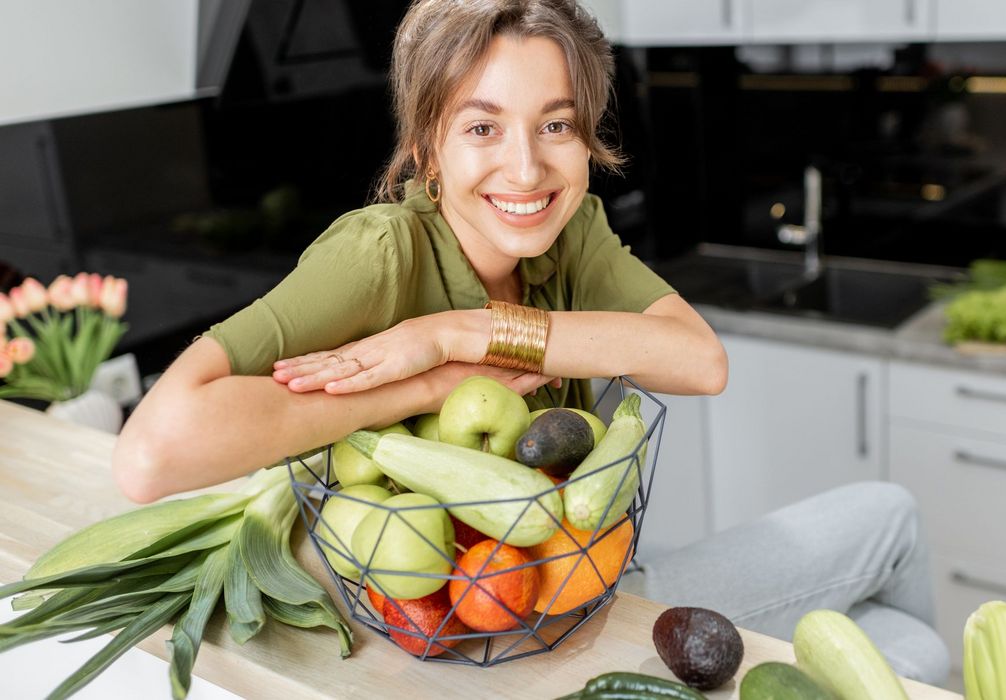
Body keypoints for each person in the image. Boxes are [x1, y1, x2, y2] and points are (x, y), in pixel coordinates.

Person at [112, 0, 948, 685]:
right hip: (502, 641)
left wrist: (463, 331)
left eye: (556, 126)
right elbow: (149, 455)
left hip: (577, 592)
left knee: (911, 653)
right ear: (425, 144)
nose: (526, 171)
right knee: (894, 517)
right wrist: (424, 387)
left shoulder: (568, 233)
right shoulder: (380, 251)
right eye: (482, 128)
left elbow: (700, 360)